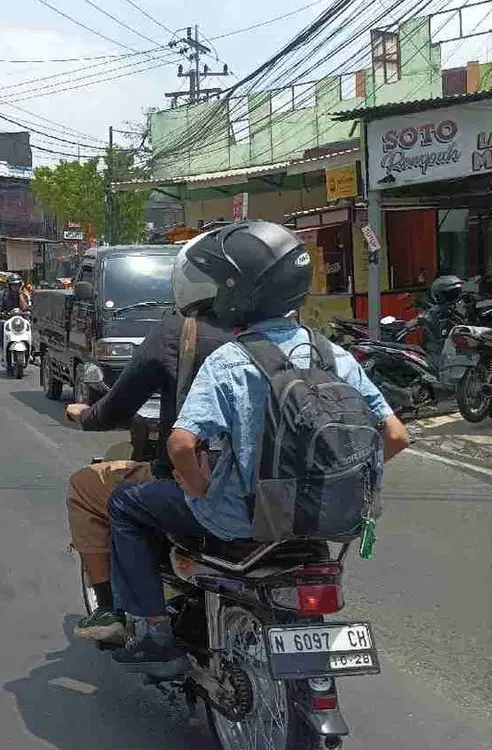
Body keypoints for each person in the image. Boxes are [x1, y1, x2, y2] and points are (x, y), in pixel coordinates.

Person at [106, 221, 410, 675]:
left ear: (238, 292)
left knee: (125, 505)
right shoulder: (333, 355)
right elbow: (396, 436)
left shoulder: (231, 360)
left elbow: (182, 444)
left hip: (240, 518)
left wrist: (200, 488)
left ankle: (153, 629)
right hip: (324, 516)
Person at [64, 234, 235, 644]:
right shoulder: (283, 336)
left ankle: (122, 613)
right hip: (276, 492)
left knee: (90, 489)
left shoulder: (179, 331)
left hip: (207, 489)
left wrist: (87, 415)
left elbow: (119, 406)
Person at [0, 274, 27, 366]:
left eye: (17, 285)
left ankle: (32, 354)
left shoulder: (23, 294)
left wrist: (20, 295)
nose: (15, 287)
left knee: (31, 327)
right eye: (13, 285)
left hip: (20, 321)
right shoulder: (3, 294)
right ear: (9, 285)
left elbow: (24, 308)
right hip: (6, 319)